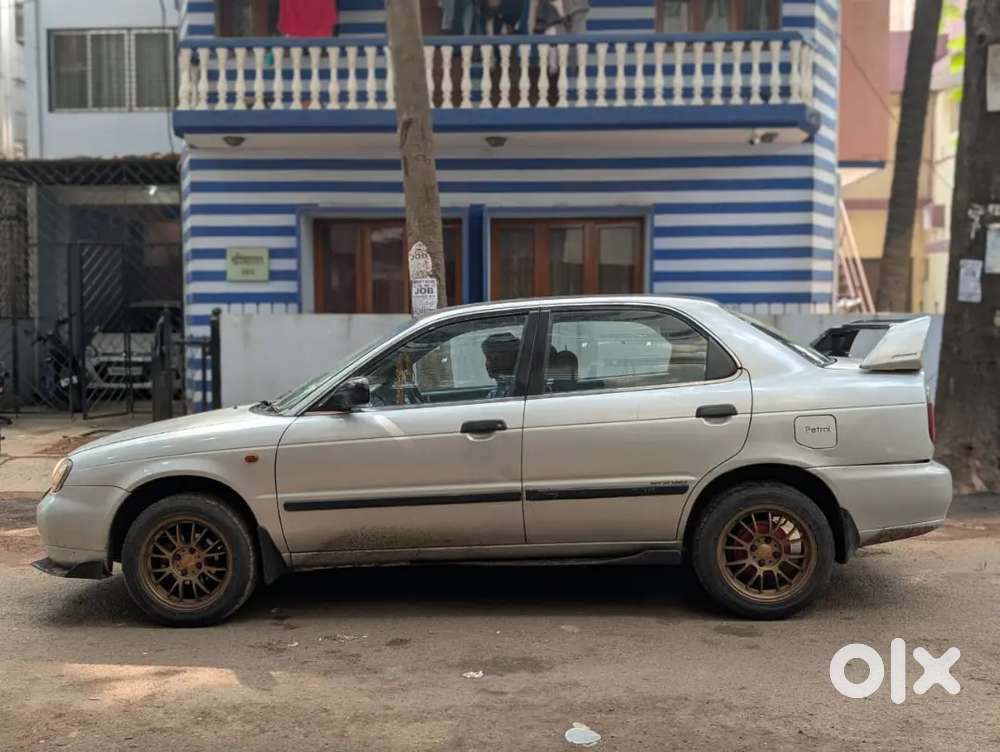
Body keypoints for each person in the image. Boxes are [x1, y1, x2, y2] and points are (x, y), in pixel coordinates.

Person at [481, 332, 520, 399]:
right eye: (487, 358)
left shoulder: (514, 392)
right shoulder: (498, 391)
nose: (487, 364)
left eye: (494, 358)